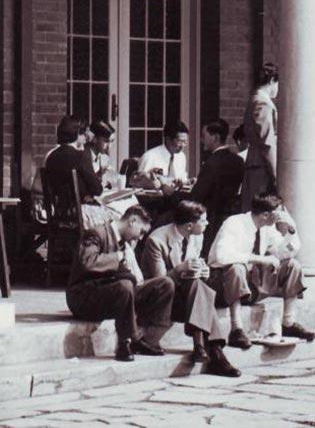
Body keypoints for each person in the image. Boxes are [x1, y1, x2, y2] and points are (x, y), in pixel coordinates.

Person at [140, 199, 240, 376]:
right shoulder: (156, 240)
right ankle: (213, 350)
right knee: (200, 290)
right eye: (203, 220)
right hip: (160, 301)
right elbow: (160, 283)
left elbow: (193, 267)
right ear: (189, 225)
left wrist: (202, 271)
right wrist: (180, 269)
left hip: (188, 298)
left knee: (199, 285)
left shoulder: (196, 236)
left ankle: (204, 346)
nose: (208, 223)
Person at [65, 204, 174, 362]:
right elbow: (87, 263)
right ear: (132, 221)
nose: (141, 237)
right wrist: (118, 257)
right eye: (141, 231)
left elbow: (130, 277)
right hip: (84, 297)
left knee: (165, 284)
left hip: (115, 293)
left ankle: (149, 339)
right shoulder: (96, 233)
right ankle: (126, 342)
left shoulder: (124, 243)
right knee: (125, 286)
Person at [207, 192, 315, 349]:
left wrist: (292, 231)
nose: (281, 216)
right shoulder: (234, 223)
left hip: (251, 284)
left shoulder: (266, 229)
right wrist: (261, 259)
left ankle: (288, 322)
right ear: (266, 214)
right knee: (236, 267)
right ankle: (236, 329)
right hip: (222, 285)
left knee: (293, 265)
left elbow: (284, 253)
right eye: (279, 212)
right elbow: (222, 256)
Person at [190, 118, 245, 255]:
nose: (202, 140)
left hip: (211, 220)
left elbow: (196, 196)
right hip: (230, 218)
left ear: (215, 138)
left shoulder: (211, 163)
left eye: (204, 136)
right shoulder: (238, 161)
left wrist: (171, 193)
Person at [240, 62, 279, 210]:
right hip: (262, 166)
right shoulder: (263, 103)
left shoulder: (254, 100)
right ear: (271, 81)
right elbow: (267, 142)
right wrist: (275, 174)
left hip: (256, 163)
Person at [45, 114, 105, 202]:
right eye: (83, 132)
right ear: (77, 134)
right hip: (80, 211)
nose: (86, 136)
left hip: (59, 212)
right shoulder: (81, 156)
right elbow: (97, 189)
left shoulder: (50, 156)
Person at [135, 121, 190, 190]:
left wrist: (186, 182)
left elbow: (182, 179)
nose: (183, 146)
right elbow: (138, 185)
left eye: (185, 142)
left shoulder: (181, 157)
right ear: (168, 139)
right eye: (180, 141)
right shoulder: (150, 157)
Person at [87, 119, 116, 189]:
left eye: (112, 141)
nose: (109, 146)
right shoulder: (85, 156)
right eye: (106, 141)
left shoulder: (103, 156)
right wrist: (101, 173)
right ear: (94, 139)